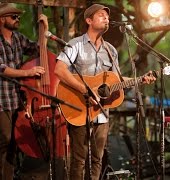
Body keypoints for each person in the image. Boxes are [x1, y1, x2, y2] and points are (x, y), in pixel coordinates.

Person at [54, 4, 156, 180]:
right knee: (79, 159)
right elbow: (60, 70)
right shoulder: (75, 44)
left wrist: (140, 79)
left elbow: (115, 81)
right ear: (88, 20)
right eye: (101, 15)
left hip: (101, 112)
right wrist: (85, 89)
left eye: (107, 17)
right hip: (79, 108)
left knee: (97, 159)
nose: (106, 18)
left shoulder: (111, 50)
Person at [0, 3, 48, 180]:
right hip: (1, 99)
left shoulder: (19, 38)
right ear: (2, 19)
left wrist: (45, 30)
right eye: (14, 16)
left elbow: (39, 50)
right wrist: (28, 72)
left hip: (18, 98)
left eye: (18, 16)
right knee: (4, 140)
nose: (17, 19)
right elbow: (2, 68)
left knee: (13, 143)